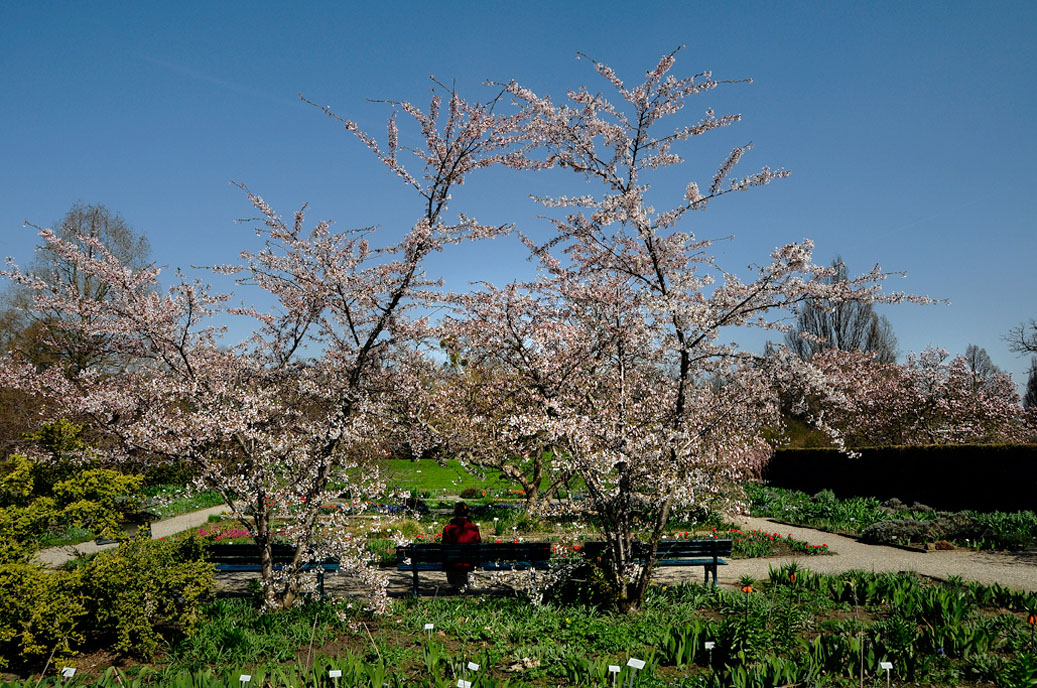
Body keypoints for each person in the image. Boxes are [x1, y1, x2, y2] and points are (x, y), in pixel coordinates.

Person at [441, 501, 481, 590]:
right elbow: (478, 544)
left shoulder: (448, 529)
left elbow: (444, 546)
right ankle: (461, 585)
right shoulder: (473, 528)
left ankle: (458, 585)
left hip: (452, 562)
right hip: (470, 561)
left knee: (453, 561)